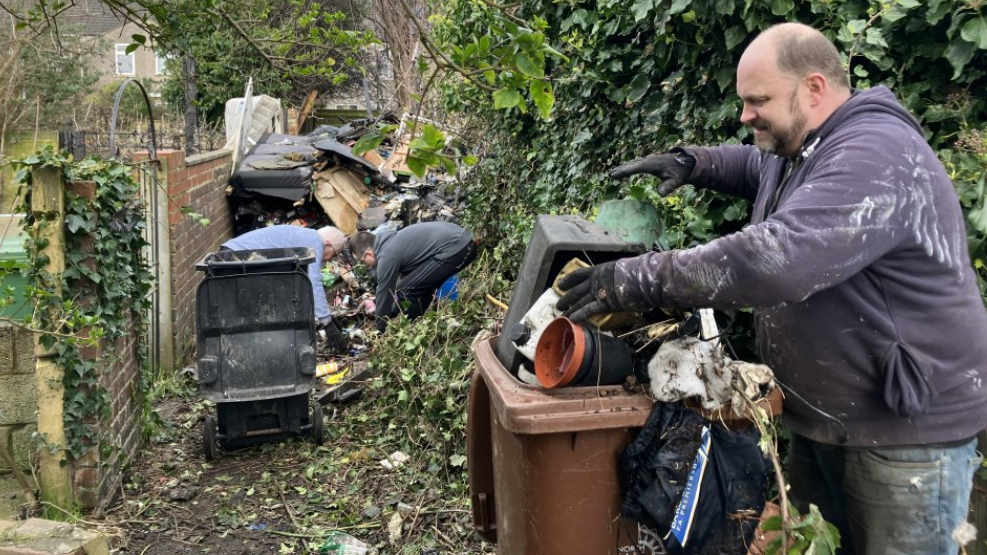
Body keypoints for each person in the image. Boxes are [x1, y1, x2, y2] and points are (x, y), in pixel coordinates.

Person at [557, 22, 987, 555]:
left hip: (902, 437)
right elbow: (757, 164)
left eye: (758, 100)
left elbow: (775, 262)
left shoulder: (877, 154)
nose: (745, 115)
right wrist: (695, 163)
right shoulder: (809, 146)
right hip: (830, 421)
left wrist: (632, 279)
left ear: (814, 87)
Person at [222, 225, 348, 353]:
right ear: (328, 244)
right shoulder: (315, 242)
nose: (329, 260)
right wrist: (327, 322)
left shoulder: (306, 237)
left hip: (233, 256)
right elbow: (313, 281)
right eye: (334, 255)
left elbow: (302, 285)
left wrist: (328, 316)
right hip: (234, 260)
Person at [347, 222, 477, 332]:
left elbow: (386, 292)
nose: (366, 266)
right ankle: (429, 323)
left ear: (369, 254)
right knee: (416, 288)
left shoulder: (386, 255)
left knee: (405, 289)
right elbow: (407, 284)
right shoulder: (391, 241)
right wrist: (390, 308)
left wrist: (380, 329)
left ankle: (417, 326)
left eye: (363, 261)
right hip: (461, 243)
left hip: (456, 247)